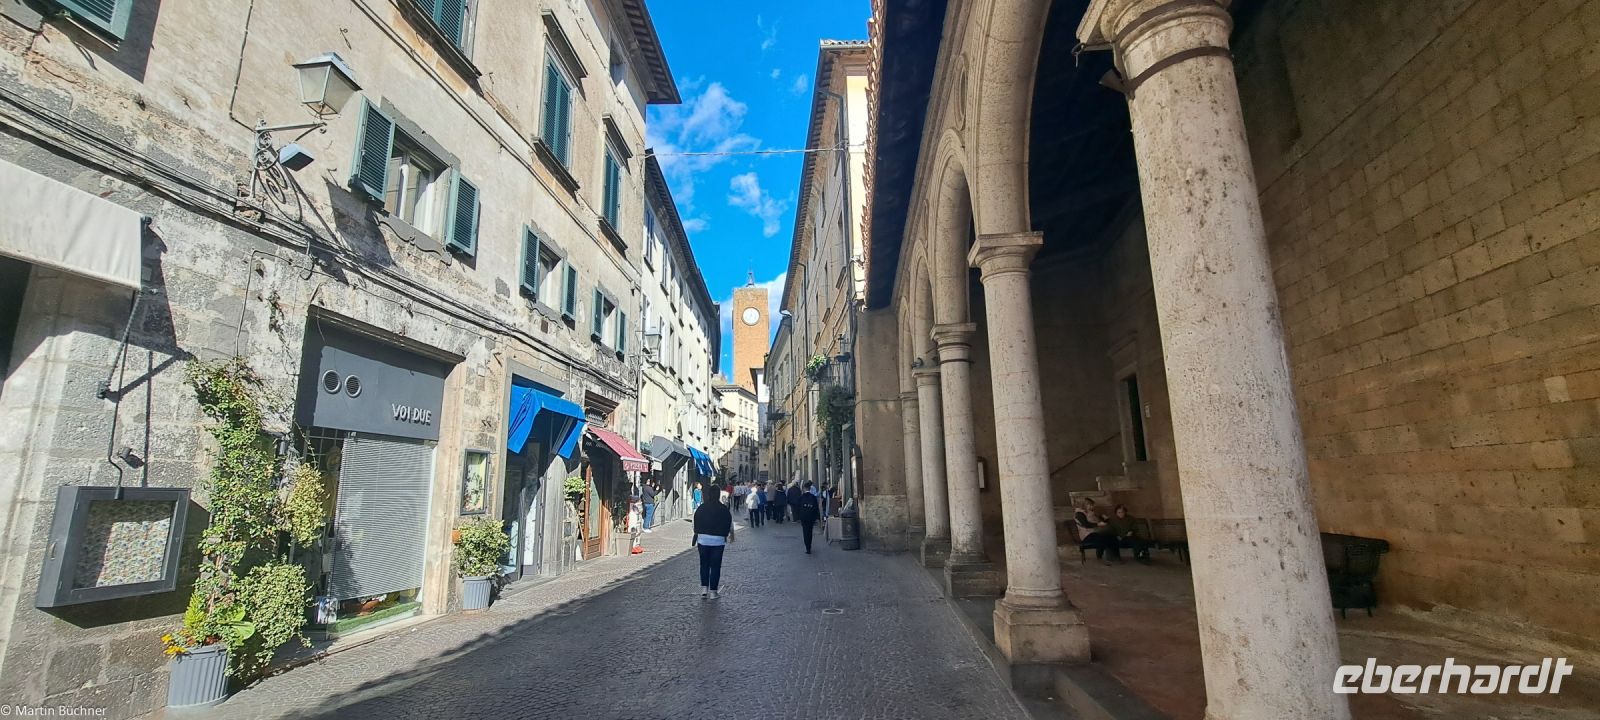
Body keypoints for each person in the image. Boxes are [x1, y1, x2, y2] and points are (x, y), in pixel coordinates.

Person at [691, 487, 734, 599]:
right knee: (715, 566)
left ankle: (704, 589)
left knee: (704, 564)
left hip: (703, 540)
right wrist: (731, 536)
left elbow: (694, 523)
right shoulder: (723, 509)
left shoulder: (701, 508)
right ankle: (713, 592)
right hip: (718, 541)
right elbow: (730, 523)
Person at [1072, 498, 1117, 565]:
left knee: (1111, 536)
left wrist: (1105, 519)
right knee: (1104, 538)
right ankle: (1102, 558)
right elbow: (1086, 524)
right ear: (1085, 505)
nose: (1092, 507)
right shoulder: (1079, 514)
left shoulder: (1091, 512)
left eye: (1092, 505)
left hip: (1094, 532)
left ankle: (1111, 557)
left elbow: (1099, 521)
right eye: (1090, 505)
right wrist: (1098, 524)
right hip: (1086, 535)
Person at [796, 482, 821, 554]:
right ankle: (809, 545)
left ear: (804, 489)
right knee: (810, 531)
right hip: (811, 517)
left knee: (805, 532)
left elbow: (798, 508)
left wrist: (799, 516)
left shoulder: (801, 497)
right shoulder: (813, 497)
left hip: (803, 517)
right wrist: (817, 517)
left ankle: (807, 547)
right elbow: (816, 508)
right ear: (810, 489)